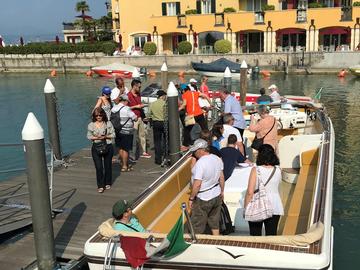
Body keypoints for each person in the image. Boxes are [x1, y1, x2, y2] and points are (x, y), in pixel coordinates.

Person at [244, 144, 283, 236]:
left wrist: (246, 207)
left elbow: (250, 192)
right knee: (271, 236)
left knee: (255, 236)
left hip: (258, 205)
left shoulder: (256, 170)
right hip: (275, 205)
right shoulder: (278, 170)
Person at [188, 139, 225, 235]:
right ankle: (216, 241)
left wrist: (191, 198)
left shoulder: (200, 163)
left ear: (201, 150)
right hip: (216, 194)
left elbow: (197, 184)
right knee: (215, 223)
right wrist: (222, 191)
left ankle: (197, 246)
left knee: (197, 225)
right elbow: (221, 177)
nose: (194, 153)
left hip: (203, 197)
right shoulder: (217, 158)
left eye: (195, 151)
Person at [87, 107, 115, 193]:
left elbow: (113, 134)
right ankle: (100, 185)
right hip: (96, 147)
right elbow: (88, 136)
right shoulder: (91, 125)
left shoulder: (108, 123)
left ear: (103, 115)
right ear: (94, 116)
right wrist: (96, 137)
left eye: (100, 115)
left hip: (107, 146)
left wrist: (105, 136)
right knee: (99, 167)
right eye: (96, 116)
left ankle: (108, 182)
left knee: (108, 166)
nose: (98, 117)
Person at [111, 89, 138, 172]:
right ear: (125, 101)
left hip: (117, 130)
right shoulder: (127, 109)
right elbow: (135, 118)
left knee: (120, 147)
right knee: (126, 149)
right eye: (127, 101)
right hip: (127, 131)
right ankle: (125, 166)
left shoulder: (114, 108)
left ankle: (122, 163)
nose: (128, 103)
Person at [127, 79, 151, 159]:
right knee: (133, 137)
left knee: (142, 135)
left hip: (140, 117)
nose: (140, 89)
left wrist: (143, 114)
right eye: (139, 87)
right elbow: (126, 108)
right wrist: (136, 107)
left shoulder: (139, 94)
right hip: (133, 119)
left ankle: (144, 151)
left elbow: (139, 105)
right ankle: (132, 154)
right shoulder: (128, 95)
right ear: (134, 86)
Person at [149, 90, 167, 165]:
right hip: (164, 123)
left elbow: (149, 114)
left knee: (157, 141)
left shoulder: (152, 104)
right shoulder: (165, 104)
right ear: (163, 96)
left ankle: (158, 159)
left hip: (156, 123)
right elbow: (167, 114)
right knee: (166, 140)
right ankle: (166, 156)